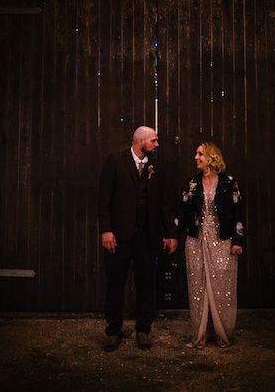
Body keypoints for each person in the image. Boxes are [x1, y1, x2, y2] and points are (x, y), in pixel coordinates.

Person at [98, 126, 178, 351]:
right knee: (115, 284)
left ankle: (144, 330)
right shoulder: (115, 161)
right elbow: (104, 199)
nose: (157, 144)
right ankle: (113, 330)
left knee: (146, 285)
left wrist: (170, 233)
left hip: (147, 237)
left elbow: (165, 203)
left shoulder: (157, 166)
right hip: (119, 237)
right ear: (140, 140)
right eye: (154, 140)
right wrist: (106, 230)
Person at [178, 141, 243, 349]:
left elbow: (238, 213)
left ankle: (222, 332)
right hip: (196, 239)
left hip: (222, 239)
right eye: (196, 154)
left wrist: (237, 240)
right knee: (198, 285)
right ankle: (201, 333)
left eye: (200, 154)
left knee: (222, 286)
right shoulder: (192, 183)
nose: (196, 157)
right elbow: (183, 211)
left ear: (211, 157)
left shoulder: (228, 182)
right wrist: (172, 235)